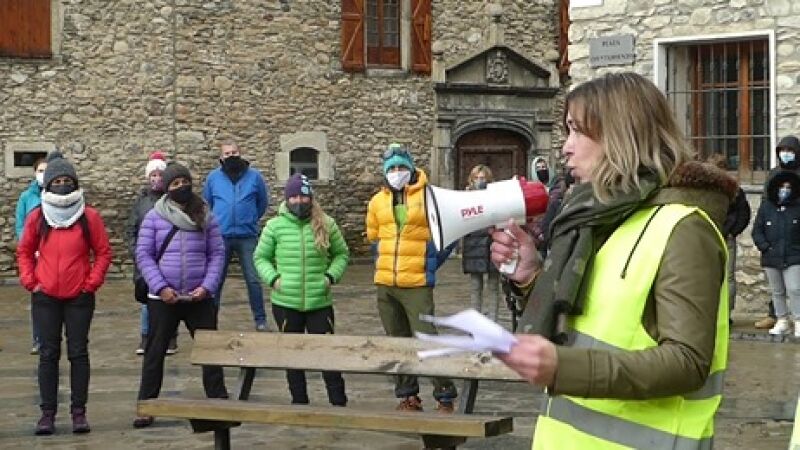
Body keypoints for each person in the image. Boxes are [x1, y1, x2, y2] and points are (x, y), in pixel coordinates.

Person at [489, 72, 735, 448]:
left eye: (577, 131)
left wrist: (563, 367)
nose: (565, 148)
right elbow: (592, 319)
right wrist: (531, 276)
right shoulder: (597, 219)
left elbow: (687, 362)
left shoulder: (685, 228)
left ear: (621, 135)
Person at [16, 152, 112, 435]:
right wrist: (31, 281)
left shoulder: (89, 217)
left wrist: (91, 283)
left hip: (79, 297)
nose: (61, 185)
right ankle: (47, 413)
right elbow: (24, 251)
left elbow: (103, 252)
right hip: (45, 296)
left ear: (75, 182)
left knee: (78, 353)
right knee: (48, 354)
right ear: (47, 184)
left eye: (66, 180)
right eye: (56, 181)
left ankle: (79, 412)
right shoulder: (37, 216)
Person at [133, 162, 228, 428]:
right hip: (164, 297)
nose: (181, 187)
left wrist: (207, 286)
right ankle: (146, 405)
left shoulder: (205, 215)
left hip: (199, 297)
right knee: (155, 352)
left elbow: (217, 253)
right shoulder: (154, 217)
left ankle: (219, 401)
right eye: (175, 184)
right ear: (167, 188)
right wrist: (160, 287)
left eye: (184, 182)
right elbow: (144, 254)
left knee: (211, 351)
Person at [366, 142, 458, 412]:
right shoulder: (377, 201)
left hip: (416, 283)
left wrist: (431, 261)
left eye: (401, 167)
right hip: (386, 283)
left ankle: (445, 394)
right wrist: (383, 263)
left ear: (411, 168)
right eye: (391, 168)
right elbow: (374, 237)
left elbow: (450, 232)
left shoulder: (430, 197)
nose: (397, 172)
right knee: (396, 340)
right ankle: (407, 395)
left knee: (426, 337)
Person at [253, 173, 350, 406]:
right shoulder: (274, 226)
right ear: (287, 199)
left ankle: (338, 402)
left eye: (303, 196)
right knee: (293, 357)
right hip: (286, 303)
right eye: (294, 197)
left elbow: (341, 254)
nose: (299, 201)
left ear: (310, 197)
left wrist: (330, 277)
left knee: (327, 355)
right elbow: (260, 257)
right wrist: (274, 279)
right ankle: (299, 402)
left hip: (319, 302)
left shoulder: (327, 224)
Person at [203, 141, 269, 330]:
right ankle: (210, 321)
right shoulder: (213, 178)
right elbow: (208, 203)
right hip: (220, 236)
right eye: (227, 153)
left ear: (240, 153)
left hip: (247, 236)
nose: (231, 156)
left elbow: (262, 202)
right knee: (216, 280)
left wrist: (250, 218)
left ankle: (260, 320)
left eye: (234, 152)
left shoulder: (254, 177)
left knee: (253, 279)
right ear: (221, 157)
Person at [126, 151, 179, 355]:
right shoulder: (141, 202)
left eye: (160, 175)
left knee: (170, 297)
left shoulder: (173, 200)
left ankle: (171, 337)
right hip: (146, 260)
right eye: (153, 175)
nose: (156, 179)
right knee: (148, 301)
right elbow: (131, 230)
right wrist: (137, 254)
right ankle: (146, 336)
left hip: (168, 258)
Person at [755, 135, 800, 329]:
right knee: (777, 286)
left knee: (795, 286)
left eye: (790, 151)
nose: (786, 154)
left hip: (794, 231)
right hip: (775, 232)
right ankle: (776, 316)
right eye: (783, 151)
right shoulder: (774, 173)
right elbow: (767, 200)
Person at [707, 154, 751, 321]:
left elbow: (743, 214)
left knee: (726, 278)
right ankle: (720, 314)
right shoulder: (707, 190)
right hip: (712, 236)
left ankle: (723, 314)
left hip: (722, 236)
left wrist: (733, 231)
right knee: (719, 277)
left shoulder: (734, 191)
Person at [15, 156, 47, 355]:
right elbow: (20, 225)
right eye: (40, 171)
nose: (43, 174)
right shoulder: (26, 197)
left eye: (46, 171)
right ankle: (38, 338)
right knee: (38, 298)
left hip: (51, 254)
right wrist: (29, 247)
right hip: (34, 254)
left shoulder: (56, 195)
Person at [461, 165, 501, 320]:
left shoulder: (495, 196)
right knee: (475, 286)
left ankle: (493, 320)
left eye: (482, 178)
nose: (479, 181)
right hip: (474, 244)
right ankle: (476, 320)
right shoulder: (465, 198)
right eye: (476, 178)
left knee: (493, 286)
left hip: (491, 242)